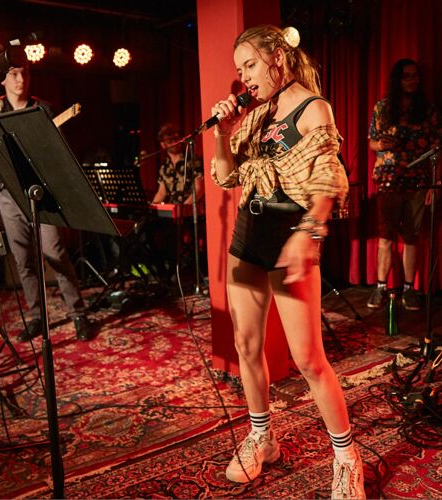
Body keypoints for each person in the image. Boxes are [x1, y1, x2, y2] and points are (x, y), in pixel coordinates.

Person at [210, 25, 365, 499]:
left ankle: (346, 458)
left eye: (250, 65)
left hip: (289, 239)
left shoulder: (313, 108)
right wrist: (222, 133)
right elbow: (227, 177)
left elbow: (328, 179)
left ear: (277, 56)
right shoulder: (256, 115)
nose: (244, 76)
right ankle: (263, 437)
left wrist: (308, 233)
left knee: (308, 359)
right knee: (246, 345)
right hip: (248, 239)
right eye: (239, 69)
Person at [0, 60, 92, 342]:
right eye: (13, 74)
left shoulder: (42, 109)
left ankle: (78, 313)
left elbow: (59, 153)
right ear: (2, 80)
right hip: (8, 195)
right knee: (23, 260)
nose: (20, 79)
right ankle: (36, 317)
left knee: (55, 252)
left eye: (24, 73)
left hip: (42, 194)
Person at [367, 59, 441, 311]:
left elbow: (437, 147)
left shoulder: (428, 110)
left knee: (412, 236)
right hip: (388, 178)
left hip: (417, 180)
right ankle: (380, 287)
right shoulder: (383, 107)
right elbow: (372, 141)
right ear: (397, 80)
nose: (412, 80)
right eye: (407, 76)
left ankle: (409, 290)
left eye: (415, 76)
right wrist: (380, 145)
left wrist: (434, 183)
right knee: (385, 235)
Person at [150, 123, 205, 278]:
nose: (175, 142)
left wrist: (183, 208)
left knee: (169, 234)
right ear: (163, 144)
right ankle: (161, 274)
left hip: (189, 211)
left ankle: (175, 273)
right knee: (148, 230)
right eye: (170, 140)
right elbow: (162, 192)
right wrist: (151, 207)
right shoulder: (164, 167)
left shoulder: (192, 160)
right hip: (171, 212)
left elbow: (199, 189)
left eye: (176, 138)